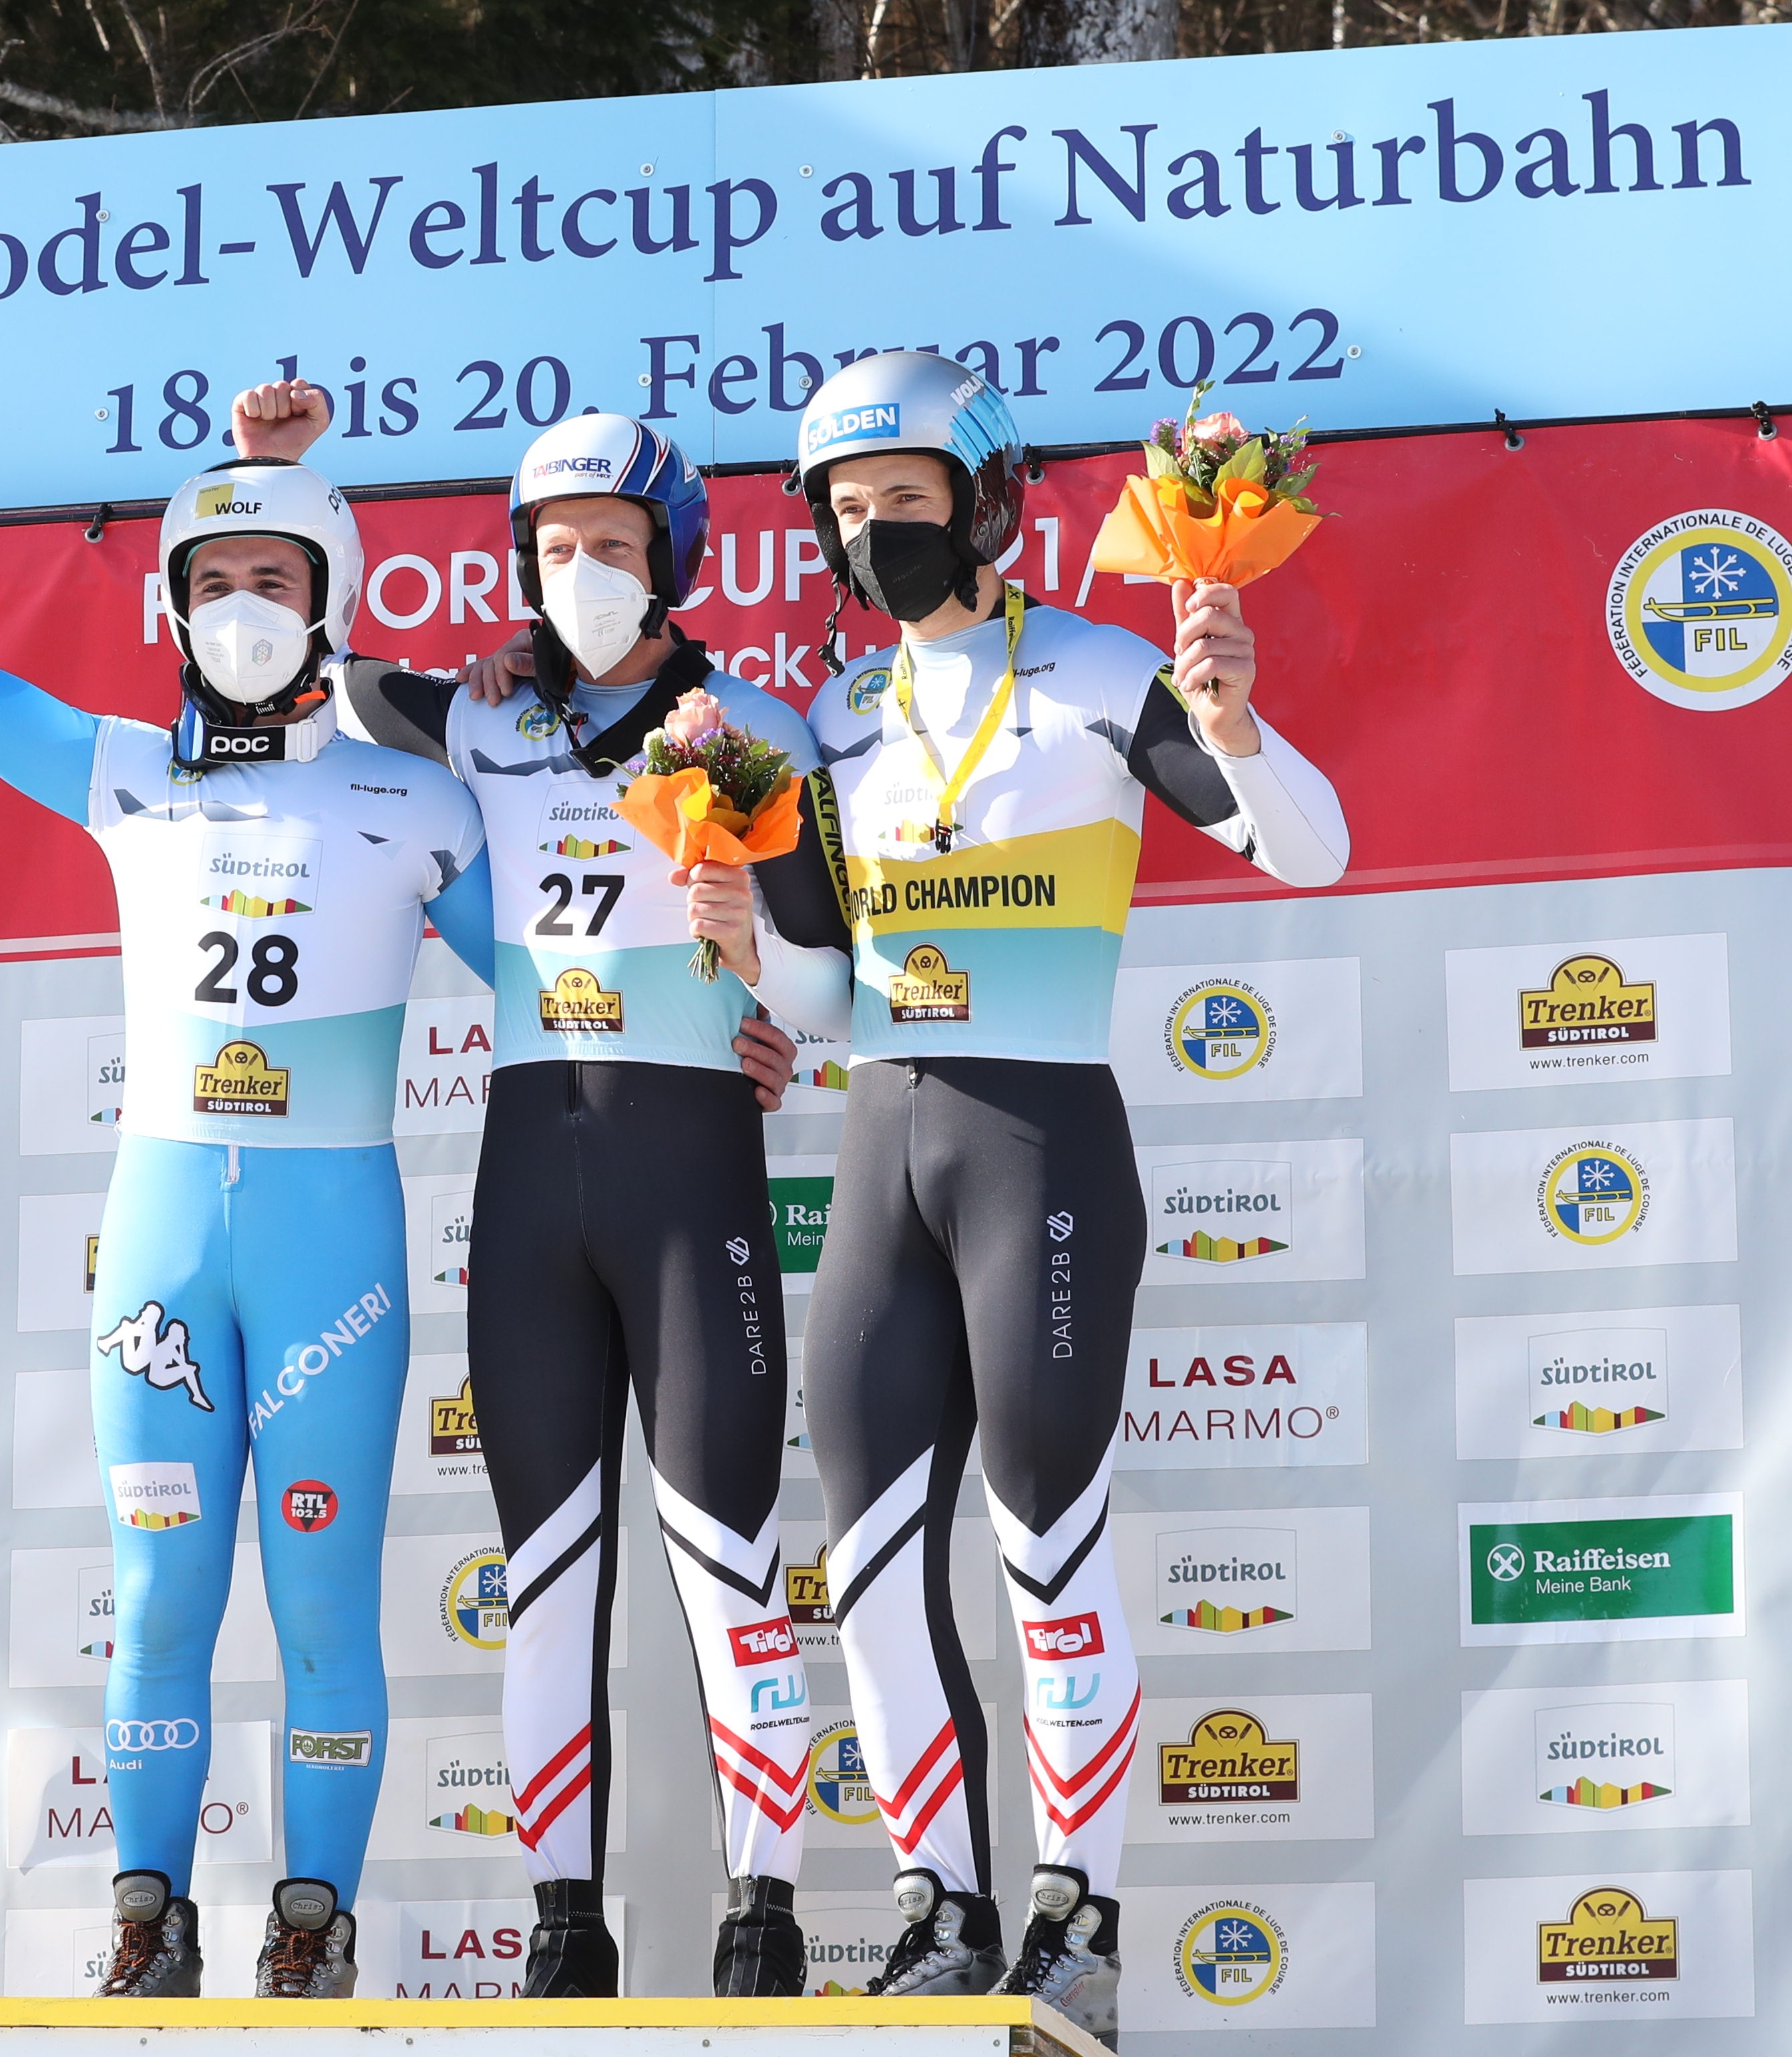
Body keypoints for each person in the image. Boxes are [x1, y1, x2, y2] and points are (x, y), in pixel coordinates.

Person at [0, 371, 508, 2000]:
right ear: (168, 608)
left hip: (332, 1250)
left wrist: (749, 1015)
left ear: (334, 605)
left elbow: (574, 973)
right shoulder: (124, 770)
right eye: (212, 583)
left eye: (275, 581)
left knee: (319, 1603)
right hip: (162, 1239)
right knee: (156, 1597)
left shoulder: (420, 799)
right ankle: (144, 1929)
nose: (241, 608)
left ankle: (313, 1930)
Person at [720, 351, 1350, 2045]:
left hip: (1036, 1148)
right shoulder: (836, 715)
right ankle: (945, 1902)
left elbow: (1311, 848)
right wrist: (753, 943)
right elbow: (834, 1000)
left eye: (903, 503)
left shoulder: (1097, 670)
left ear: (983, 500)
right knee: (864, 1557)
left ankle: (1078, 1916)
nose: (874, 538)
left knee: (1042, 1540)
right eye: (845, 516)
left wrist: (1228, 724)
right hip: (879, 1146)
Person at [334, 415, 851, 1998]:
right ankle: (564, 1924)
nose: (581, 576)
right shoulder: (482, 718)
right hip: (524, 1186)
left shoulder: (751, 725)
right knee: (547, 1567)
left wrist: (753, 958)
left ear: (672, 560)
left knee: (726, 1555)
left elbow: (833, 995)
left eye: (612, 549)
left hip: (688, 1180)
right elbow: (329, 676)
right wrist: (297, 487)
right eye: (552, 551)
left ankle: (760, 1913)